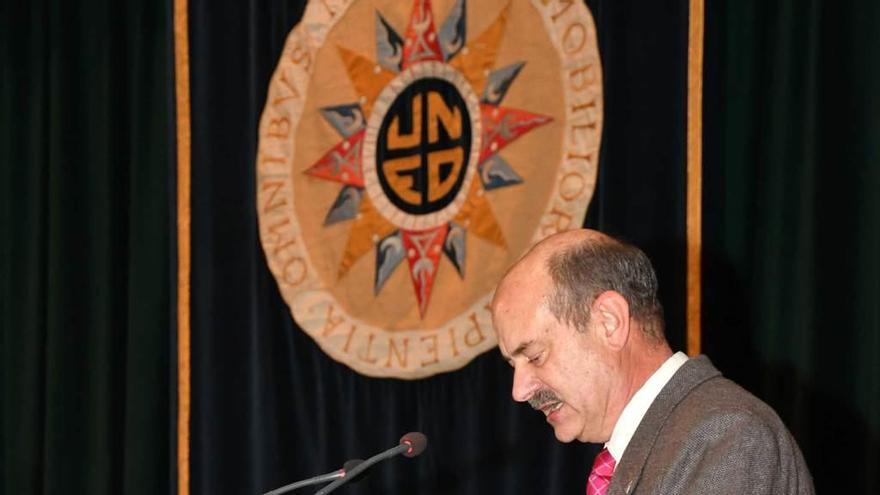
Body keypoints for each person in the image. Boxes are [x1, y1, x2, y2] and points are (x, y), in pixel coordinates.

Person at [491, 229, 814, 494]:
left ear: (609, 322)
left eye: (534, 356)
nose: (519, 391)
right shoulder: (655, 445)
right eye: (512, 365)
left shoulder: (725, 435)